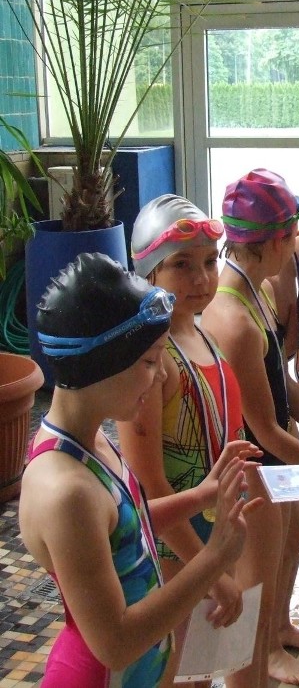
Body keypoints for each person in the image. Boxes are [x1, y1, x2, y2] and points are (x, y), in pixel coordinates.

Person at [19, 252, 257, 687]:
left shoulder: (86, 439)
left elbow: (123, 529)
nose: (159, 375)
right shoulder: (66, 491)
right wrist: (214, 558)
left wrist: (200, 495)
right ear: (102, 363)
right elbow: (117, 642)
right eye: (149, 362)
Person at [202, 169, 299, 686]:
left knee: (283, 557)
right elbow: (264, 428)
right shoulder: (235, 319)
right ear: (279, 238)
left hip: (268, 468)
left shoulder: (254, 290)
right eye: (295, 236)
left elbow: (281, 385)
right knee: (251, 607)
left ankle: (278, 636)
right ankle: (260, 662)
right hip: (254, 476)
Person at [119, 194, 261, 687]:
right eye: (181, 265)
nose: (202, 279)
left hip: (215, 538)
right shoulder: (150, 364)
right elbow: (150, 487)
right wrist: (210, 569)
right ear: (148, 274)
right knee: (179, 675)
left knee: (204, 667)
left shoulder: (204, 336)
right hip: (178, 555)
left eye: (208, 262)